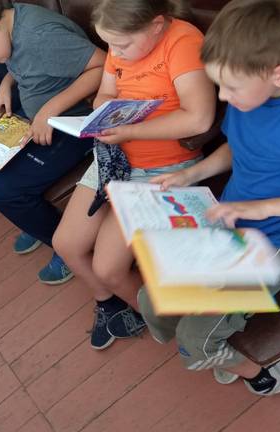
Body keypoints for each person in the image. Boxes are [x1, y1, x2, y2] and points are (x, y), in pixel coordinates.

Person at [140, 0, 280, 395]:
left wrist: (263, 208)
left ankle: (263, 370)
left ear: (277, 73)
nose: (223, 97)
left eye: (231, 87)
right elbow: (238, 146)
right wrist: (191, 174)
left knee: (196, 338)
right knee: (152, 298)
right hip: (231, 217)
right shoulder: (251, 92)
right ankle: (223, 333)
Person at [51, 0, 216, 350]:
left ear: (156, 25)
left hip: (161, 165)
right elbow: (105, 93)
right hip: (115, 156)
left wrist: (130, 130)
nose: (115, 52)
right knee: (66, 244)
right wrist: (105, 112)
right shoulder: (121, 43)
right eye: (110, 44)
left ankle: (187, 329)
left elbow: (199, 118)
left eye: (122, 45)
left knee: (108, 268)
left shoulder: (182, 42)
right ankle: (121, 306)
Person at [0, 0, 106, 285]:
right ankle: (37, 219)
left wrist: (49, 110)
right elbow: (26, 64)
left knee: (4, 191)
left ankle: (69, 250)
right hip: (38, 116)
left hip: (73, 122)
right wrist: (6, 85)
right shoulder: (10, 27)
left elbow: (103, 65)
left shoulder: (39, 36)